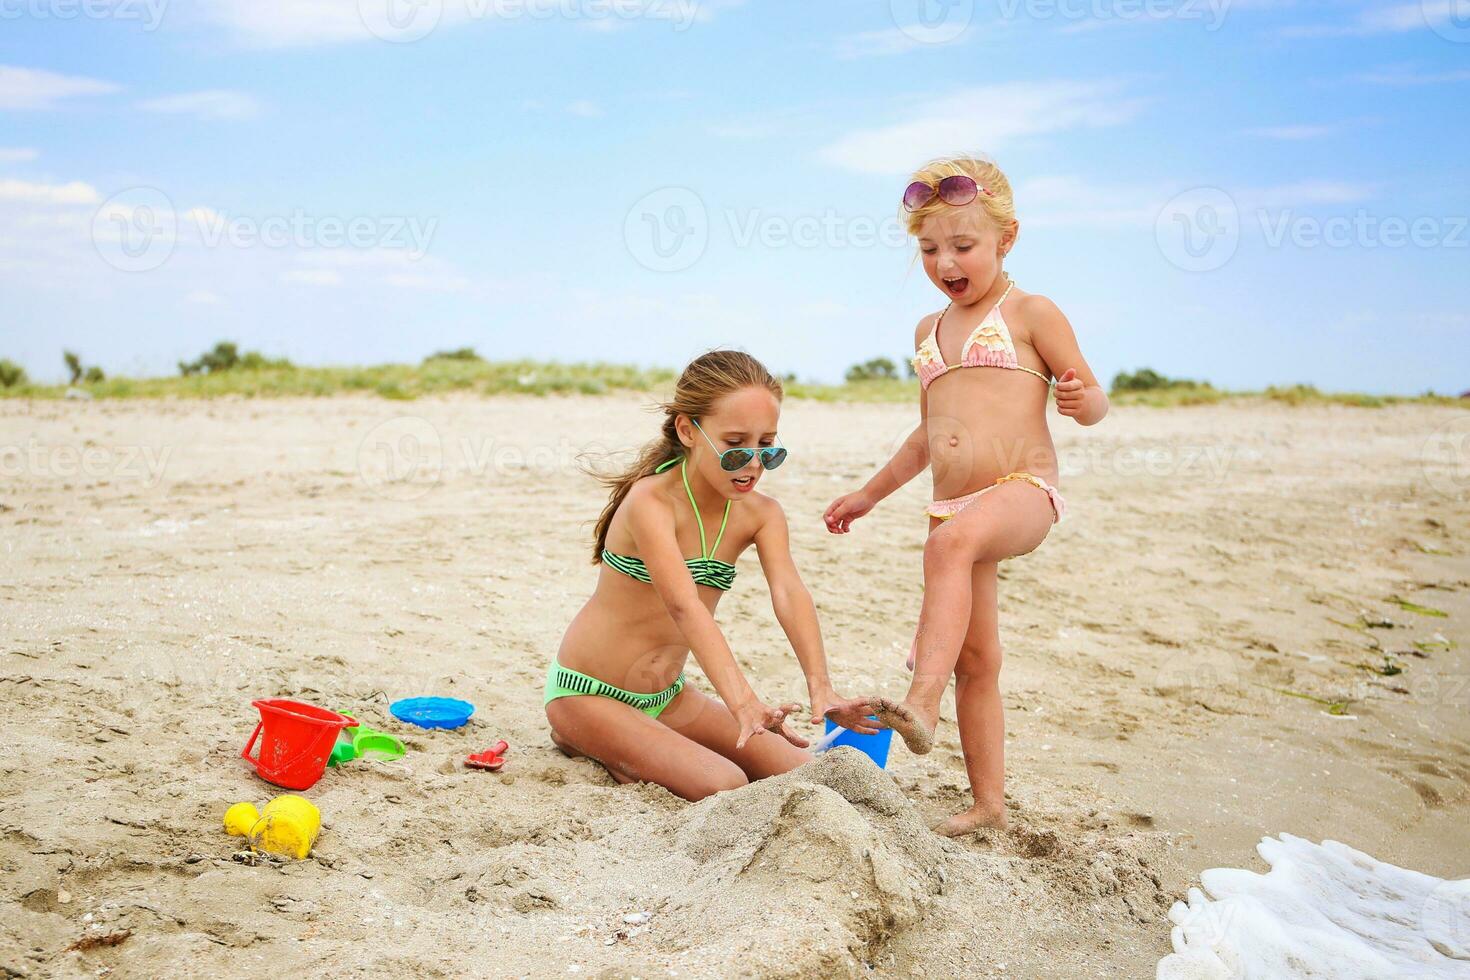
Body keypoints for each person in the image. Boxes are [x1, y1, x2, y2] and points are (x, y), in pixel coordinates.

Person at [824, 155, 1109, 835]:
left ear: (1005, 240)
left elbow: (1094, 399)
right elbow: (929, 434)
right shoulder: (928, 330)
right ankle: (988, 805)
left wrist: (1080, 399)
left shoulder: (1032, 312)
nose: (945, 261)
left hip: (1023, 489)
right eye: (928, 248)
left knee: (951, 547)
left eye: (963, 245)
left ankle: (919, 703)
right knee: (978, 663)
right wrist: (870, 492)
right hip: (951, 506)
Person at [547, 350, 872, 801]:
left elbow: (789, 593)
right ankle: (579, 736)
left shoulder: (762, 513)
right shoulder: (651, 502)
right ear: (688, 430)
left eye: (768, 446)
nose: (753, 463)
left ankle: (640, 744)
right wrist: (744, 704)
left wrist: (823, 689)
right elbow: (684, 607)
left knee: (804, 771)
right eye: (736, 444)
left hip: (667, 698)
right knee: (723, 782)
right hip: (589, 693)